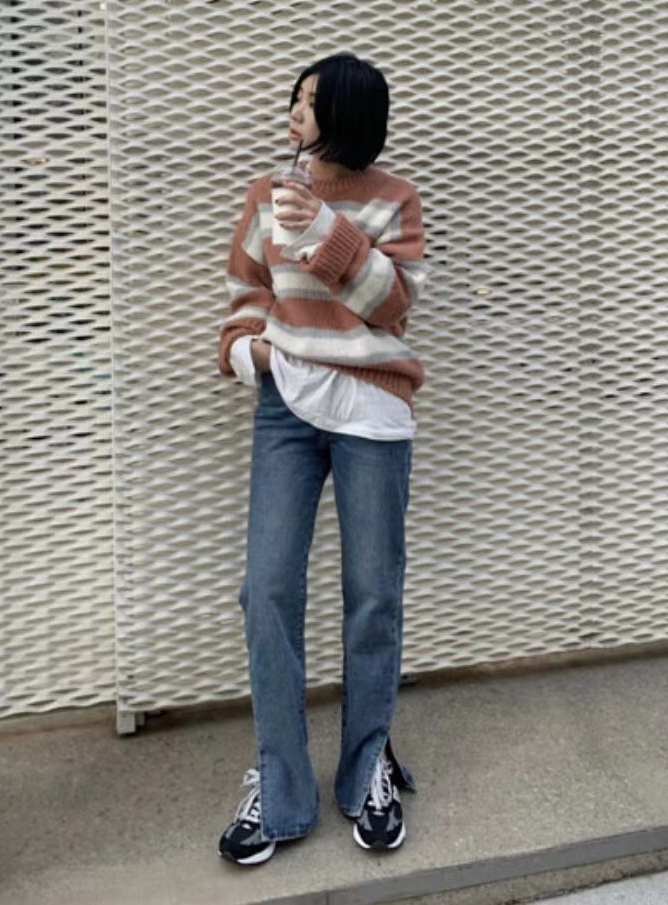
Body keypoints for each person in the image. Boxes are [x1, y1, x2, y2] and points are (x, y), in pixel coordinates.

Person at [216, 52, 428, 866]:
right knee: (266, 587)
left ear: (347, 113)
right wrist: (250, 352)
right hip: (286, 406)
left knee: (373, 594)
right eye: (294, 99)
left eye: (311, 101)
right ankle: (280, 782)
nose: (294, 113)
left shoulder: (393, 197)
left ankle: (366, 762)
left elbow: (394, 307)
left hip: (372, 406)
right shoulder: (264, 192)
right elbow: (244, 292)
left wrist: (325, 232)